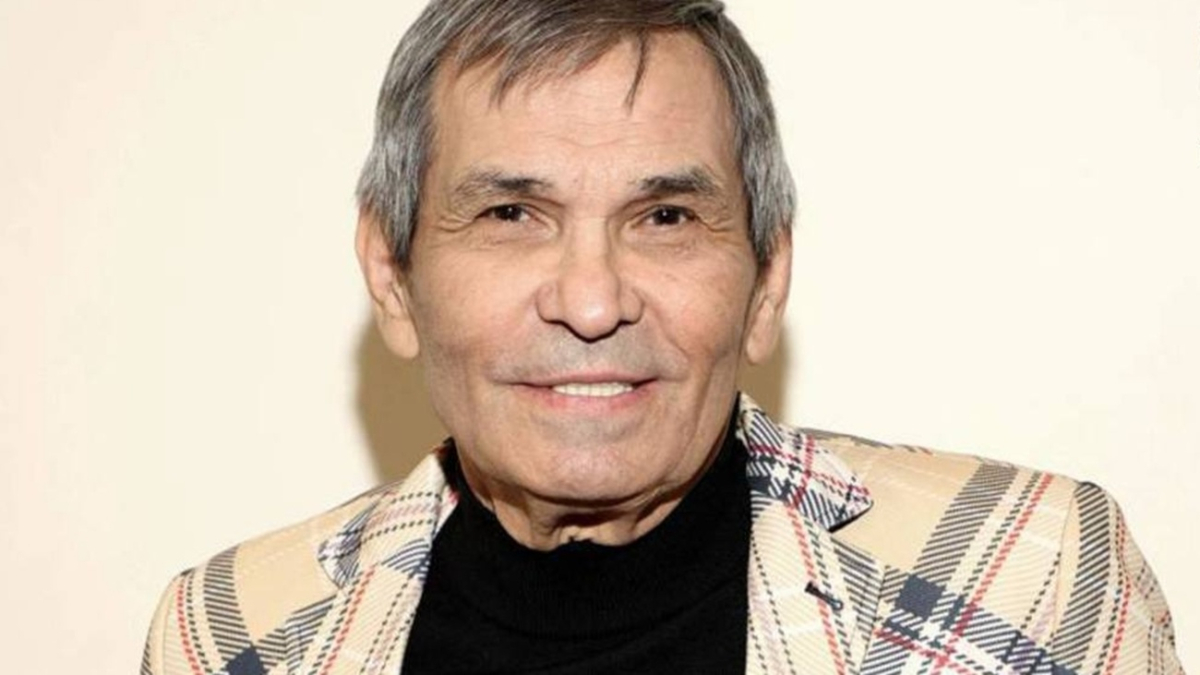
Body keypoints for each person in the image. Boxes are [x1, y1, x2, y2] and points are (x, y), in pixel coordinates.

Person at [140, 1, 1182, 673]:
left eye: (667, 217)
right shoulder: (228, 633)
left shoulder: (1034, 576)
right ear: (393, 278)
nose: (592, 303)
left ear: (766, 280)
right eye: (511, 213)